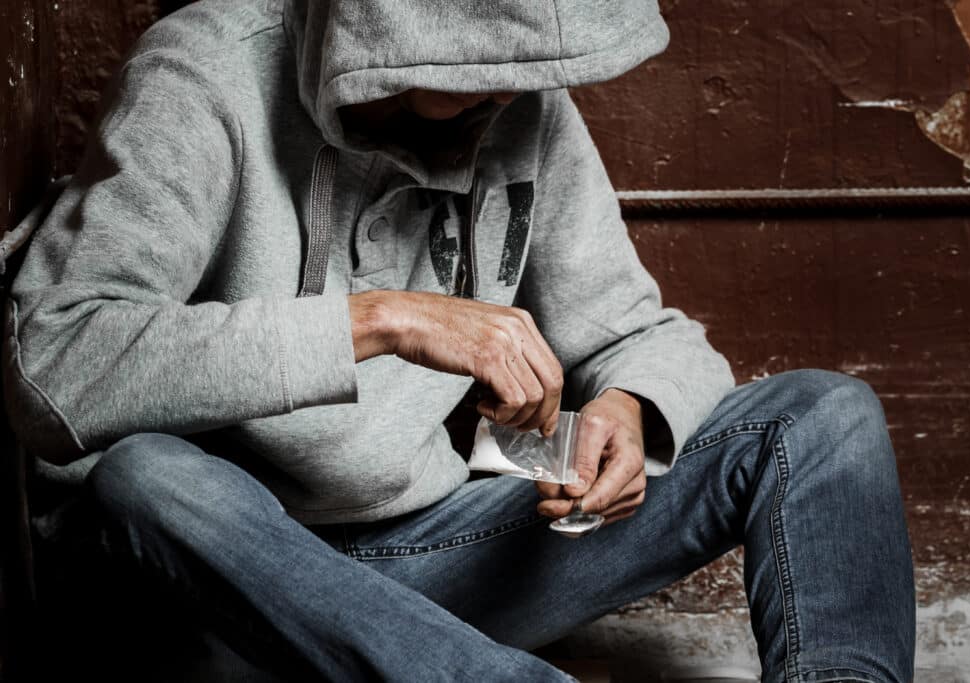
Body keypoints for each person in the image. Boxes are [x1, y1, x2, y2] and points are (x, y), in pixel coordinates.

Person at [2, 0, 915, 681]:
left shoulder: (516, 102)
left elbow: (644, 331)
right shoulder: (205, 75)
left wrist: (629, 410)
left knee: (824, 417)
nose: (504, 88)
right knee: (143, 477)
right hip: (218, 591)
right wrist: (383, 319)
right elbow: (53, 362)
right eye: (473, 64)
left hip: (420, 561)